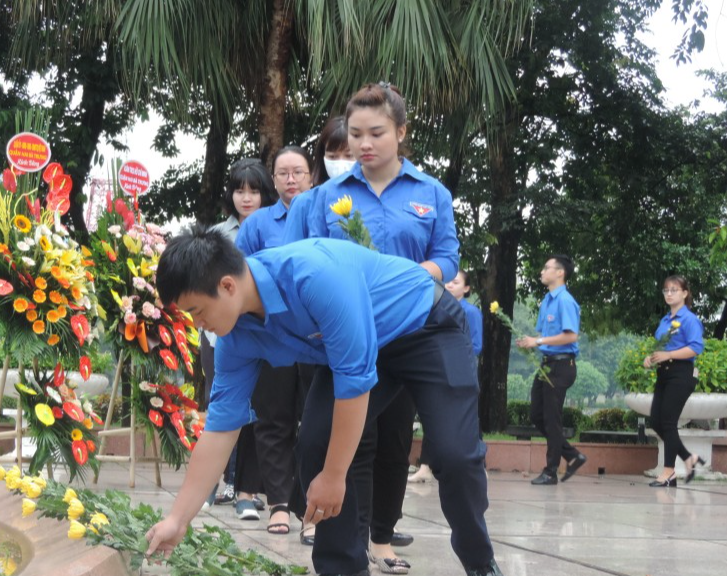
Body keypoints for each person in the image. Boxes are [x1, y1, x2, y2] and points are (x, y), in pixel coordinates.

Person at [146, 229, 502, 576]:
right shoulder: (235, 339)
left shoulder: (315, 277)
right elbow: (221, 428)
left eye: (197, 311)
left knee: (455, 455)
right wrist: (178, 520)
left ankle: (479, 561)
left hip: (425, 325)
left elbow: (354, 383)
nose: (198, 324)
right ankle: (343, 568)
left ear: (227, 285)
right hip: (360, 349)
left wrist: (334, 477)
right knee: (316, 445)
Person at [284, 82, 460, 572]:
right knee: (325, 441)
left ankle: (383, 535)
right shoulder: (323, 199)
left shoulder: (432, 194)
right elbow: (307, 261)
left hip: (412, 336)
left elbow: (446, 257)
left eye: (376, 133)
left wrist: (410, 278)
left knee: (396, 443)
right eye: (356, 134)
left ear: (401, 133)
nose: (364, 144)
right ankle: (342, 560)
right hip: (347, 339)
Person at [234, 147, 315, 535]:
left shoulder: (325, 215)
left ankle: (313, 511)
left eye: (298, 172)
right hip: (273, 337)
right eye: (282, 173)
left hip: (319, 338)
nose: (290, 179)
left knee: (316, 422)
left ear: (311, 176)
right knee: (274, 420)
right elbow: (238, 279)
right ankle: (280, 505)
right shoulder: (258, 224)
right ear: (274, 179)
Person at [201, 159, 278, 509]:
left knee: (258, 407)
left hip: (261, 335)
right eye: (239, 190)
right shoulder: (216, 235)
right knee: (221, 402)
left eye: (254, 190)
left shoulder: (276, 232)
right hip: (219, 338)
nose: (246, 198)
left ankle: (246, 485)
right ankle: (222, 480)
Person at [516, 255, 588, 486]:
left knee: (551, 419)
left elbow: (571, 336)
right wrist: (531, 341)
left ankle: (550, 471)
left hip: (561, 365)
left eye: (547, 268)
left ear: (560, 273)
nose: (542, 271)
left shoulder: (565, 300)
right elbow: (545, 337)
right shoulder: (547, 300)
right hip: (547, 363)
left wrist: (537, 342)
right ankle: (572, 455)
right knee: (537, 415)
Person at [409, 270, 482, 485]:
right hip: (435, 368)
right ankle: (425, 466)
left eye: (456, 282)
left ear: (467, 289)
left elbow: (476, 345)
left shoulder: (471, 312)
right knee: (431, 415)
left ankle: (476, 465)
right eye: (448, 281)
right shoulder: (434, 305)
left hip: (459, 369)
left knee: (464, 419)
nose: (450, 285)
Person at [642, 275, 705, 487]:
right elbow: (663, 347)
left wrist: (668, 355)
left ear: (685, 293)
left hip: (682, 373)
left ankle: (669, 472)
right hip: (665, 373)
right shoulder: (665, 321)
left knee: (668, 422)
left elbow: (696, 347)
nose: (669, 294)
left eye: (674, 290)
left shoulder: (689, 319)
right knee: (656, 421)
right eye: (666, 290)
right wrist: (651, 357)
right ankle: (688, 457)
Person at [312, 116, 354, 185]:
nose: (341, 163)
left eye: (349, 156)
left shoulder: (374, 194)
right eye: (333, 157)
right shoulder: (314, 195)